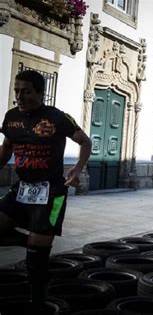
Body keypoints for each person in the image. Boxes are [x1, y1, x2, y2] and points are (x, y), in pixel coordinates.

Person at [0, 70, 91, 311]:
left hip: (52, 194)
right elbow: (7, 148)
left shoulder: (57, 117)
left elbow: (85, 141)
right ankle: (30, 242)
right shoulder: (10, 118)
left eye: (26, 91)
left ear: (40, 93)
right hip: (21, 189)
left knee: (36, 261)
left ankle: (38, 304)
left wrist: (77, 169)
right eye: (17, 90)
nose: (19, 95)